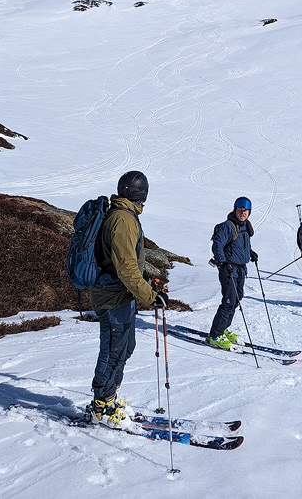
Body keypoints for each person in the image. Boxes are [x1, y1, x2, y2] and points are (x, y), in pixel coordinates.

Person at [86, 170, 168, 428]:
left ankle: (109, 397)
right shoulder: (123, 219)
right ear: (142, 193)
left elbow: (128, 262)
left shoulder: (124, 215)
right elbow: (125, 268)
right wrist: (150, 296)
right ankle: (101, 406)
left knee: (124, 347)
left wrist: (146, 285)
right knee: (113, 351)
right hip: (113, 298)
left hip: (121, 295)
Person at [208, 197, 258, 350]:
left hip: (240, 270)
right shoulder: (228, 226)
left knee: (236, 300)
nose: (242, 213)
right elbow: (217, 246)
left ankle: (223, 329)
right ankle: (215, 335)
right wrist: (223, 263)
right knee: (229, 302)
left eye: (245, 211)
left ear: (249, 212)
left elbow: (240, 246)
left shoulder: (244, 227)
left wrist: (250, 253)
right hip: (229, 270)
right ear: (235, 210)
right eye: (239, 210)